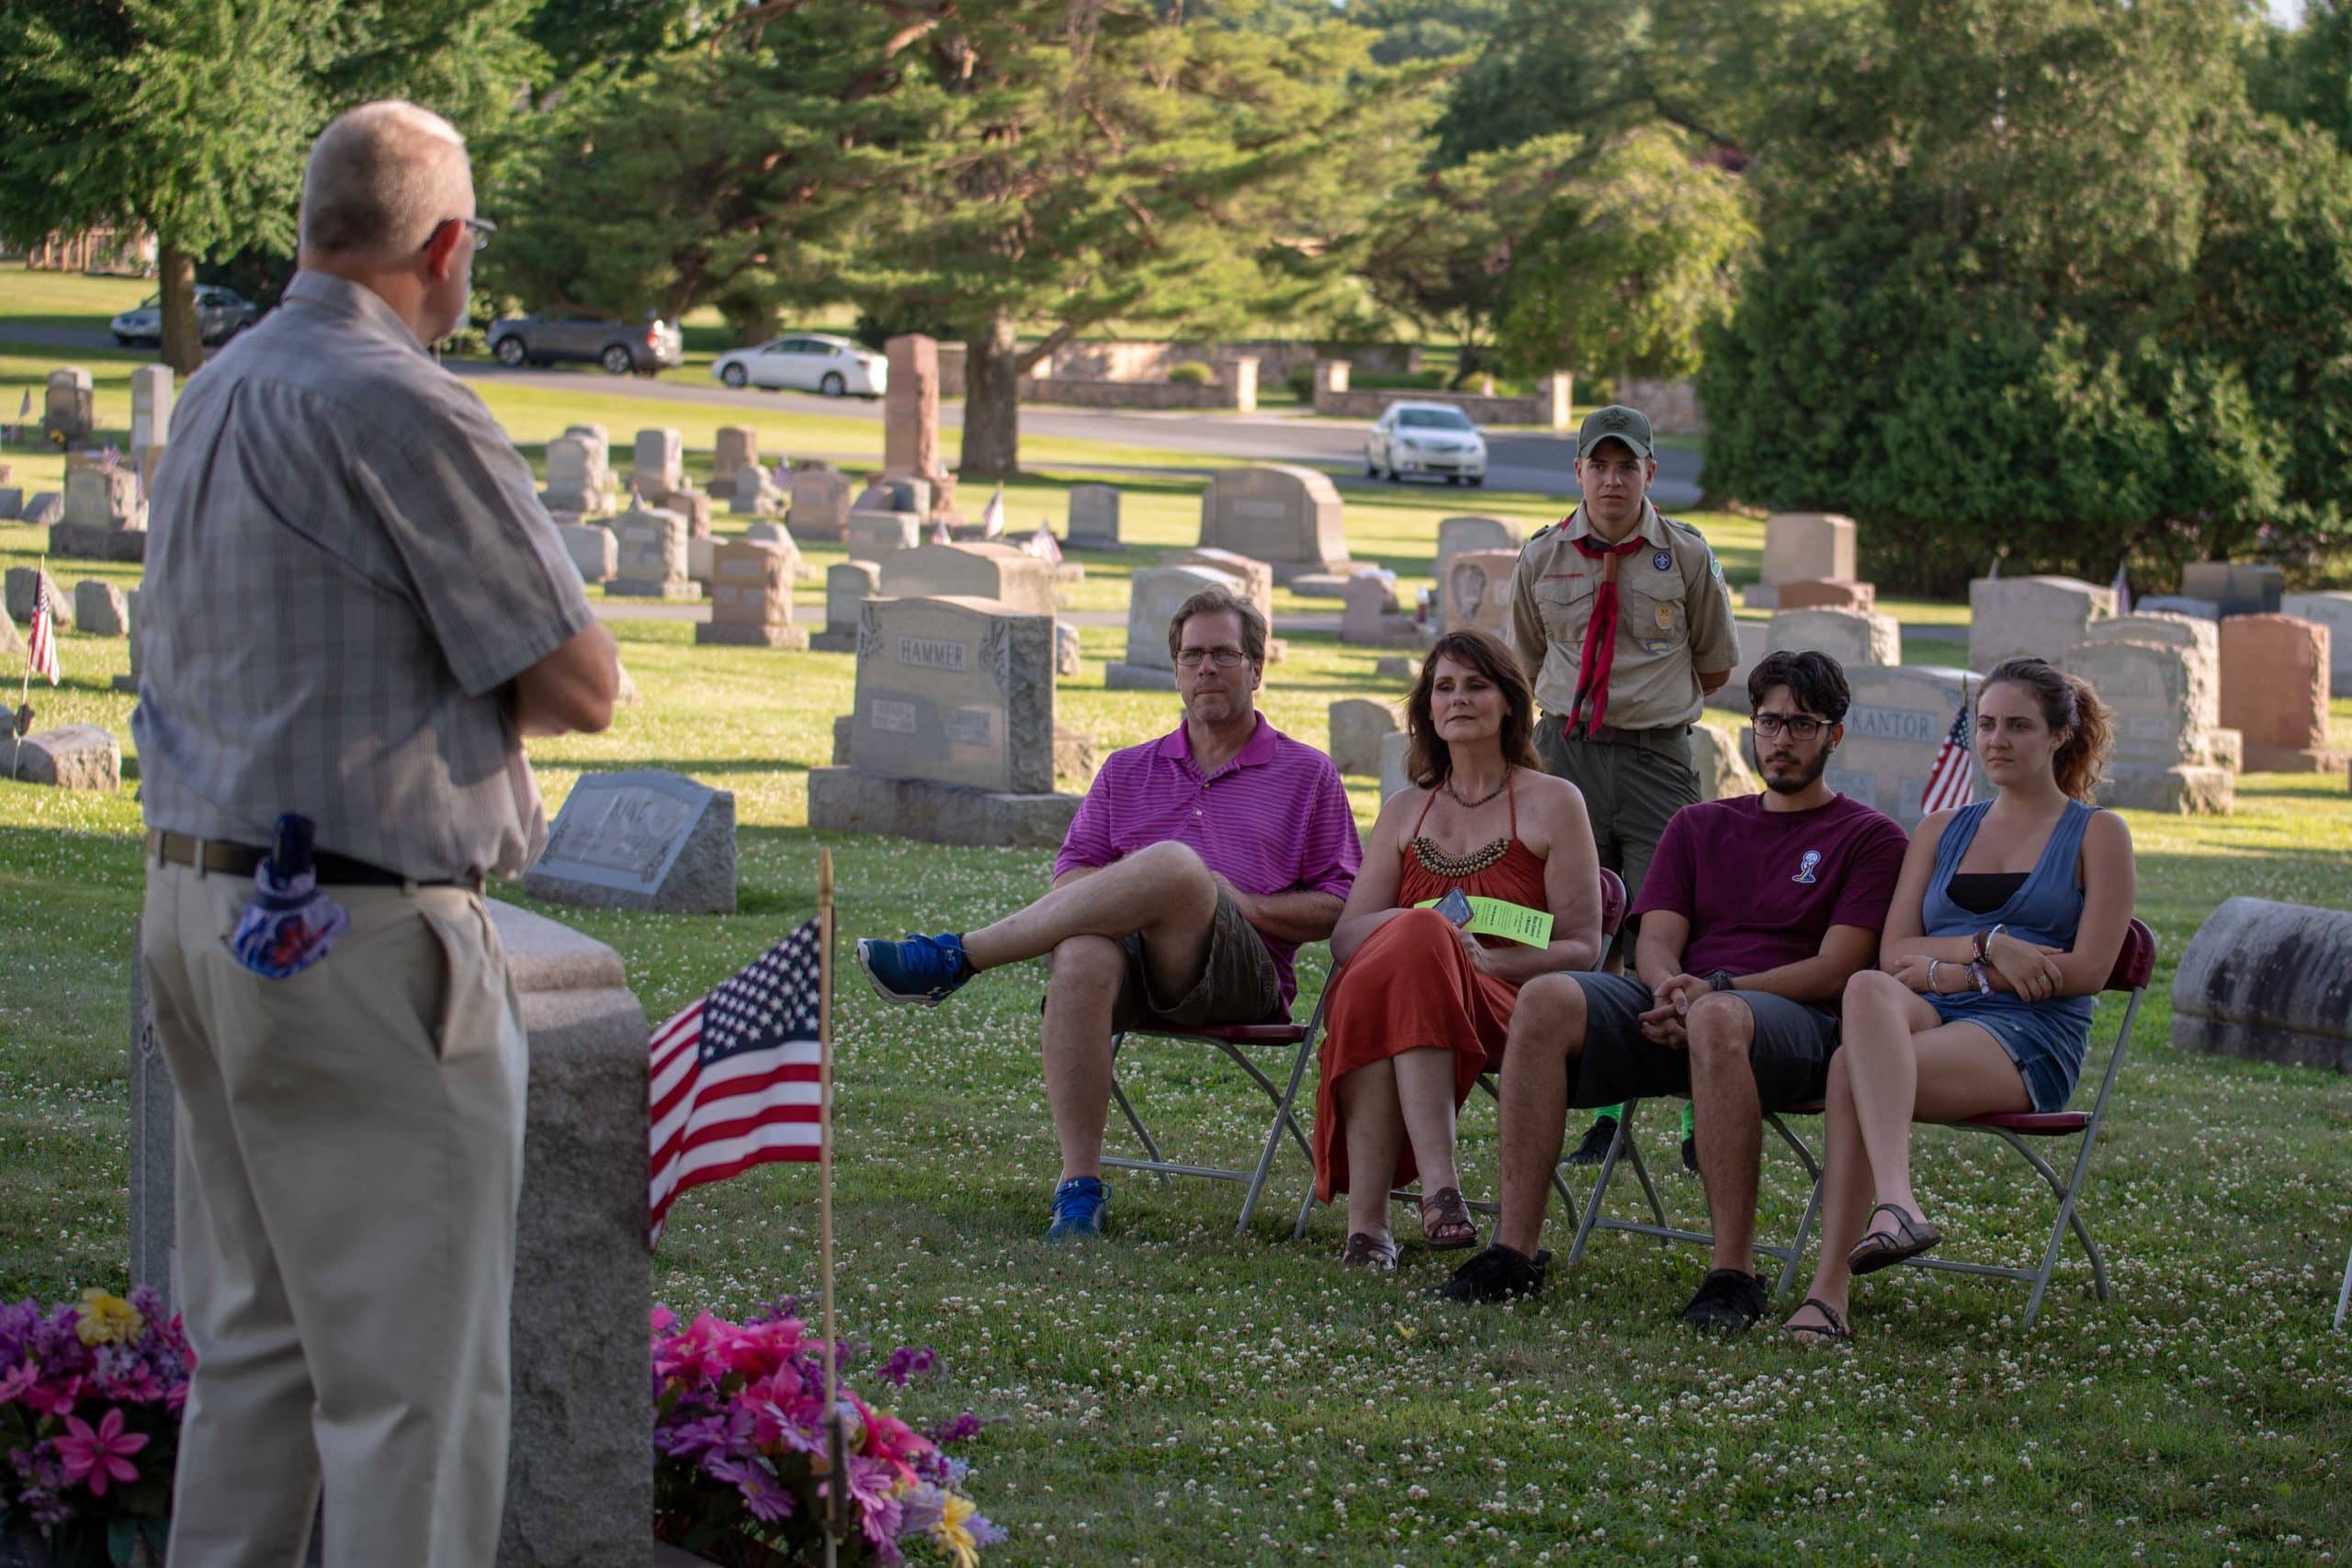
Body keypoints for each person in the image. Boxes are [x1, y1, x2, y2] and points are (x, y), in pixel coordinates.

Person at [134, 102, 619, 1567]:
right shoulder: (400, 400)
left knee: (258, 1354)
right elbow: (578, 680)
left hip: (200, 907)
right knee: (414, 1394)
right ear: (447, 245)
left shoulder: (218, 388)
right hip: (360, 934)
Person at [858, 584, 1362, 1239]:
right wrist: (1137, 896)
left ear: (1257, 668)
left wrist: (1237, 899)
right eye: (1192, 655)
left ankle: (961, 955)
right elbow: (1072, 874)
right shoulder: (1128, 770)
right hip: (1130, 967)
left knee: (1176, 864)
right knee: (1080, 951)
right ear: (1177, 671)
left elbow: (1341, 905)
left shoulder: (1306, 774)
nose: (1206, 667)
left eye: (1224, 654)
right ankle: (1078, 1189)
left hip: (1240, 981)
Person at [1434, 651, 1909, 1334]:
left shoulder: (1868, 837)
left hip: (1793, 1027)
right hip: (1677, 1005)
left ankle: (1733, 1273)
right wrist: (1669, 989)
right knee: (1545, 998)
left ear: (1835, 735)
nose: (1781, 740)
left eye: (1802, 725)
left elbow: (1838, 966)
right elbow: (1656, 941)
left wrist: (1713, 990)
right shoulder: (1700, 825)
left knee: (1719, 1018)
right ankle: (1514, 1250)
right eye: (1770, 721)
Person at [1781, 658, 2135, 1344]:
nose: (1997, 739)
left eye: (2019, 726)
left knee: (1846, 1070)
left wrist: (1948, 968)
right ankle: (1896, 1203)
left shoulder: (2098, 834)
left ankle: (1831, 1291)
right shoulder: (1942, 830)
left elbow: (2088, 969)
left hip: (2028, 1035)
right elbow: (1892, 954)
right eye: (1987, 724)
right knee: (1865, 987)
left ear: (2060, 733)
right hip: (1937, 1006)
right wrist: (1988, 948)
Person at [1312, 631, 1603, 1269]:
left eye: (1476, 685)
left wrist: (1491, 960)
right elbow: (1346, 936)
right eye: (1444, 687)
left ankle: (1378, 1219)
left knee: (1388, 983)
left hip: (1509, 1002)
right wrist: (1428, 931)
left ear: (1508, 704)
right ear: (1427, 709)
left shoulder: (1556, 802)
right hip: (1408, 994)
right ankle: (1431, 1199)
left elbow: (1584, 945)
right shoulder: (1403, 810)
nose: (1459, 699)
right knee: (1400, 959)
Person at [1506, 403, 1740, 1169]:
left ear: (1649, 473)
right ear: (1578, 472)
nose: (1612, 480)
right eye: (1598, 466)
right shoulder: (1541, 559)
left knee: (1663, 932)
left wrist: (1644, 710)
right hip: (1564, 755)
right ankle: (1600, 1111)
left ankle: (1691, 1112)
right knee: (1571, 927)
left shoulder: (1687, 557)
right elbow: (1526, 661)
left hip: (1654, 762)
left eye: (1627, 466)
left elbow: (1713, 664)